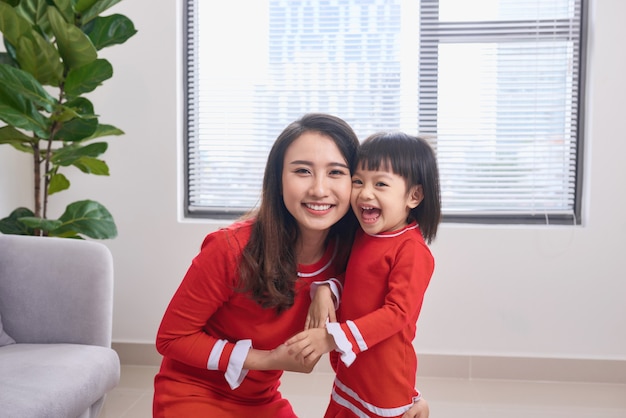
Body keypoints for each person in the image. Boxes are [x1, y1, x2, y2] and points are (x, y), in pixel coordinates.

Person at [286, 131, 441, 418]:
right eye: (358, 181)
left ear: (414, 195)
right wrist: (327, 290)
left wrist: (332, 338)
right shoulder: (365, 234)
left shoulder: (412, 250)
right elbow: (359, 281)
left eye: (380, 183)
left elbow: (397, 314)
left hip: (383, 382)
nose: (364, 193)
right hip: (352, 372)